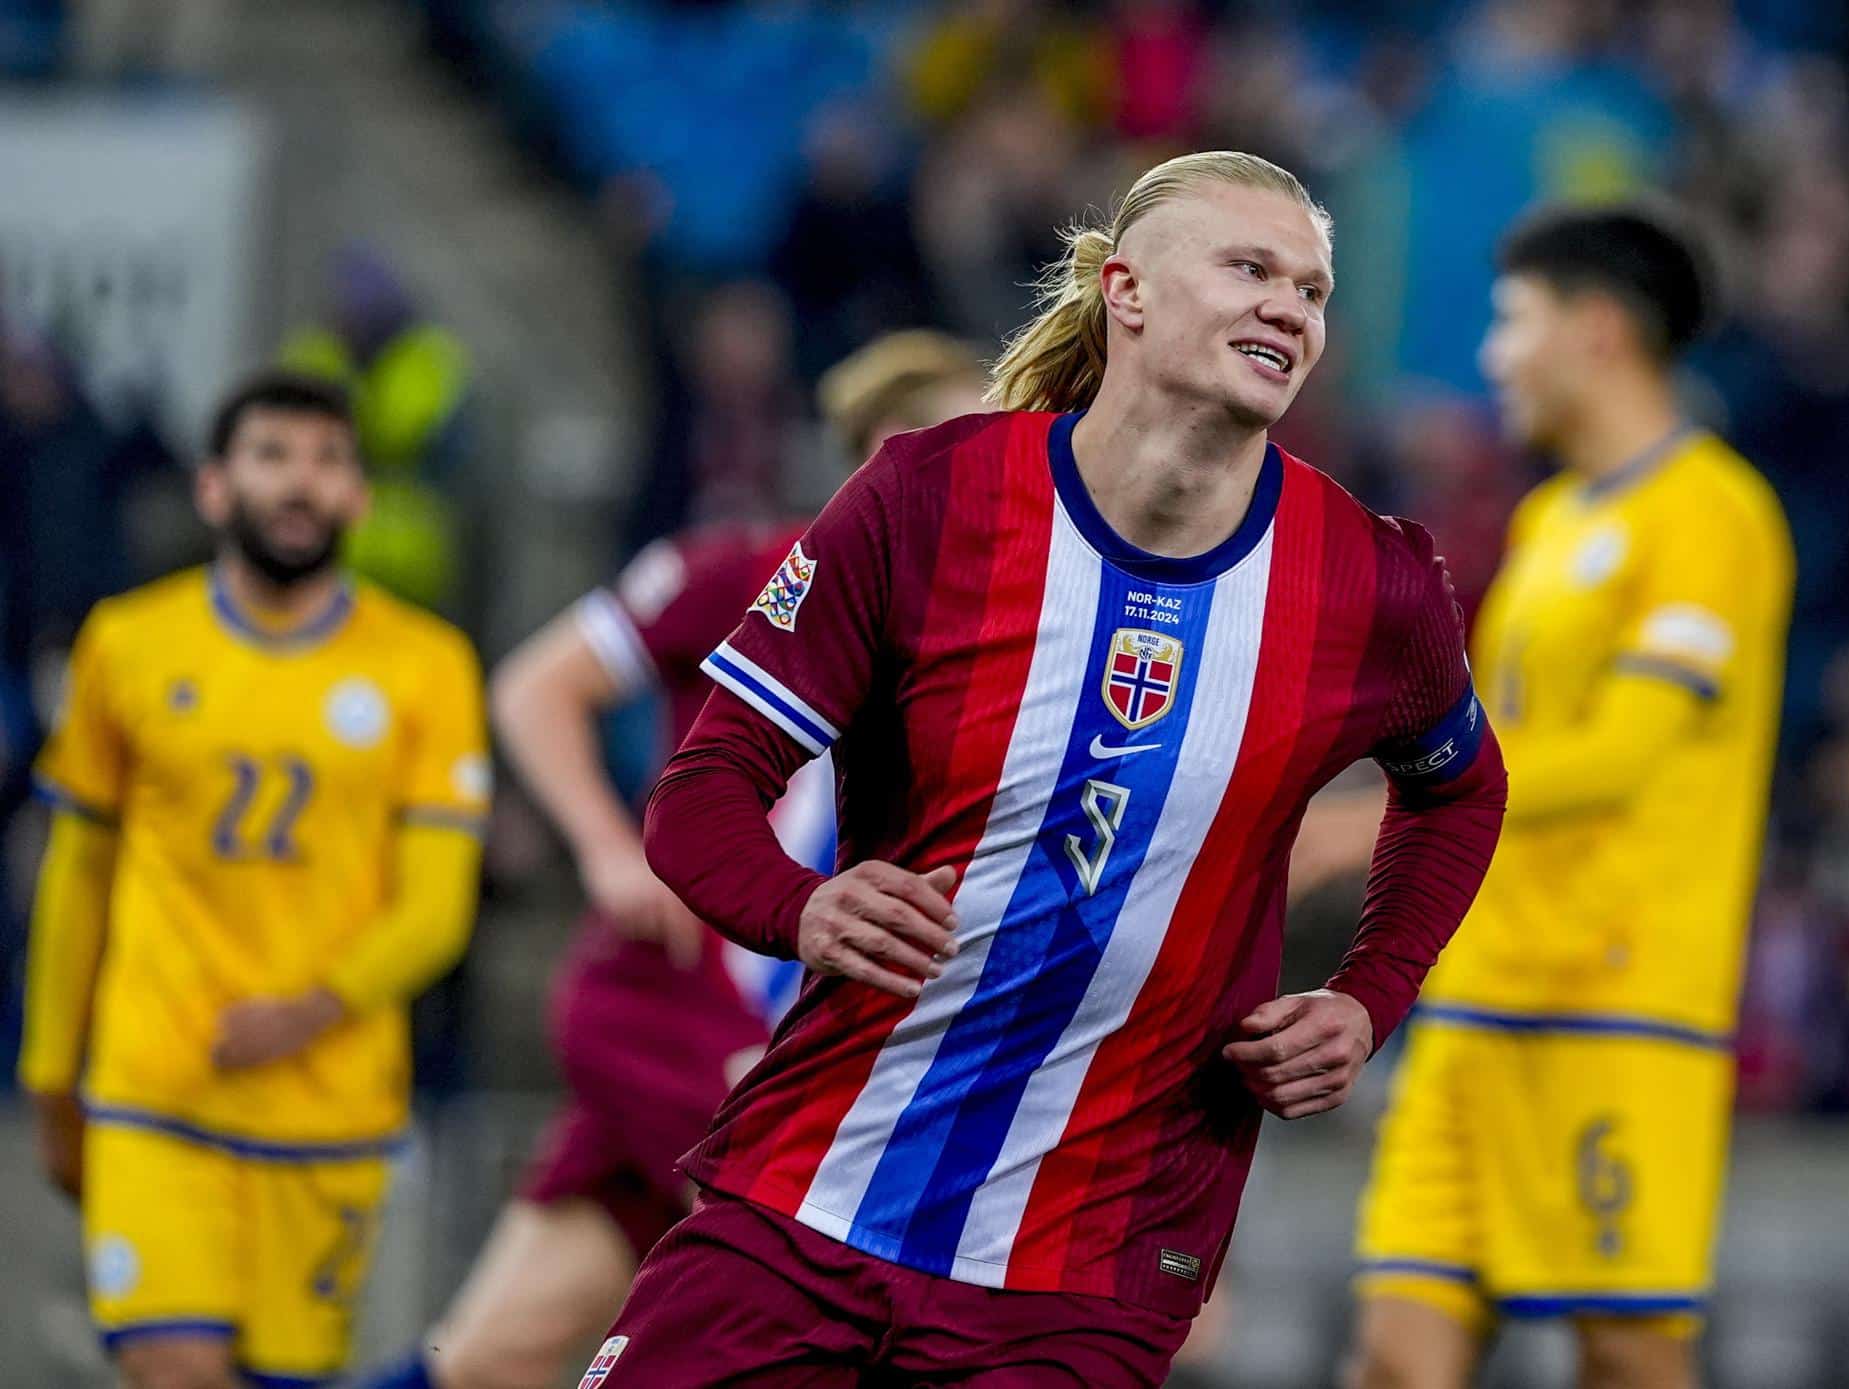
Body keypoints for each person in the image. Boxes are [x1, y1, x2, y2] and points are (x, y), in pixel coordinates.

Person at [581, 150, 1508, 1388]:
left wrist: (1368, 993)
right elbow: (703, 794)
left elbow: (1460, 787)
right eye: (1249, 268)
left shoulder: (1369, 582)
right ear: (1125, 291)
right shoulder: (931, 495)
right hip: (811, 1192)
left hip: (1090, 1269)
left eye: (1312, 288)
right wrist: (800, 906)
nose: (1291, 306)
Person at [354, 331, 986, 1389]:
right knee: (813, 1298)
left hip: (786, 1039)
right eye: (969, 446)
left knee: (492, 1356)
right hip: (674, 1012)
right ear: (884, 449)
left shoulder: (985, 645)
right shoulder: (746, 574)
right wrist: (610, 848)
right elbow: (533, 687)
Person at [1348, 204, 1793, 1389]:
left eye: (1512, 322)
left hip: (1619, 1003)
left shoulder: (1714, 515)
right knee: (1396, 1351)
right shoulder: (1547, 523)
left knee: (1627, 1356)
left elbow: (1622, 752)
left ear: (1596, 330)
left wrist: (1374, 812)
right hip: (1478, 998)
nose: (1493, 356)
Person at [18, 370, 490, 1389]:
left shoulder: (427, 666)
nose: (301, 485)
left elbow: (436, 907)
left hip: (327, 1113)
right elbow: (78, 874)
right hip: (154, 1091)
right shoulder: (129, 645)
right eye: (273, 456)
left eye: (327, 462)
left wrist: (313, 1008)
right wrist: (52, 1068)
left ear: (358, 495)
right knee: (176, 1368)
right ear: (215, 487)